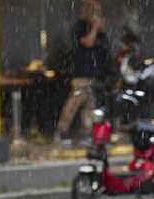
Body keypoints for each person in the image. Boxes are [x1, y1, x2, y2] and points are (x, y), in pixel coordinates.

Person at [54, 0, 109, 146]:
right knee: (76, 100)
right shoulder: (80, 27)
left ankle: (87, 133)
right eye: (93, 11)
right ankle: (62, 131)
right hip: (81, 73)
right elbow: (87, 42)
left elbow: (103, 49)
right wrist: (95, 28)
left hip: (94, 73)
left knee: (90, 106)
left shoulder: (100, 33)